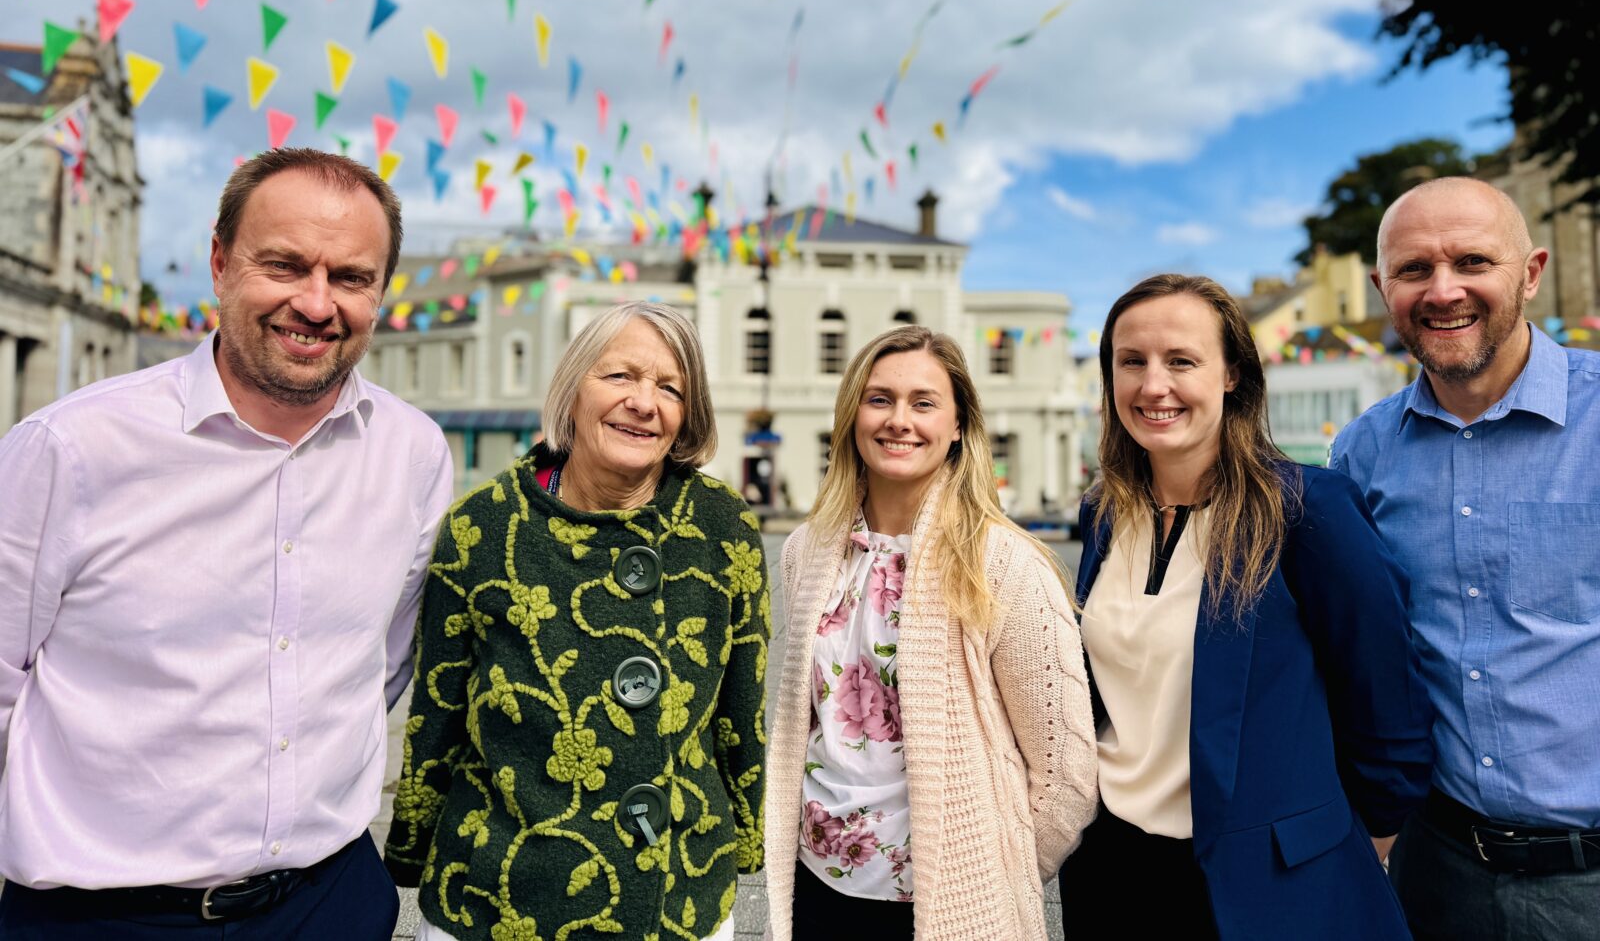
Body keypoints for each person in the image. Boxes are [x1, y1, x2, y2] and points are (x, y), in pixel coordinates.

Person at [0, 148, 454, 938]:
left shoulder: (414, 455)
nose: (316, 303)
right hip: (102, 917)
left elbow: (376, 669)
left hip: (330, 903)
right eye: (284, 264)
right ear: (219, 261)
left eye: (350, 277)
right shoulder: (69, 448)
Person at [1059, 274, 1433, 939]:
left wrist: (1370, 837)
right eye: (1131, 361)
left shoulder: (1308, 510)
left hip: (1273, 882)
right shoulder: (1104, 512)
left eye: (1181, 361)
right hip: (1113, 865)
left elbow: (1385, 698)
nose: (1153, 385)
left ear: (1232, 373)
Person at [384, 302, 769, 941]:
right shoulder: (483, 526)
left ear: (687, 415)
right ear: (572, 391)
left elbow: (741, 714)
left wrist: (743, 843)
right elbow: (436, 713)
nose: (644, 402)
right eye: (619, 377)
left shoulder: (723, 527)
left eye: (669, 388)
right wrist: (410, 847)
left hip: (677, 901)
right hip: (494, 898)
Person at [1330, 177, 1600, 940]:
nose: (1443, 290)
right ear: (1384, 288)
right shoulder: (1362, 452)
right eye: (1414, 270)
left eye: (1473, 260)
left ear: (1531, 272)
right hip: (1433, 872)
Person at [763, 325, 1097, 941]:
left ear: (959, 425)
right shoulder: (806, 551)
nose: (899, 421)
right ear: (852, 416)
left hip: (947, 908)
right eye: (879, 399)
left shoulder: (1004, 563)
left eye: (924, 403)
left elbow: (1065, 775)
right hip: (816, 887)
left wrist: (997, 874)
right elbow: (807, 722)